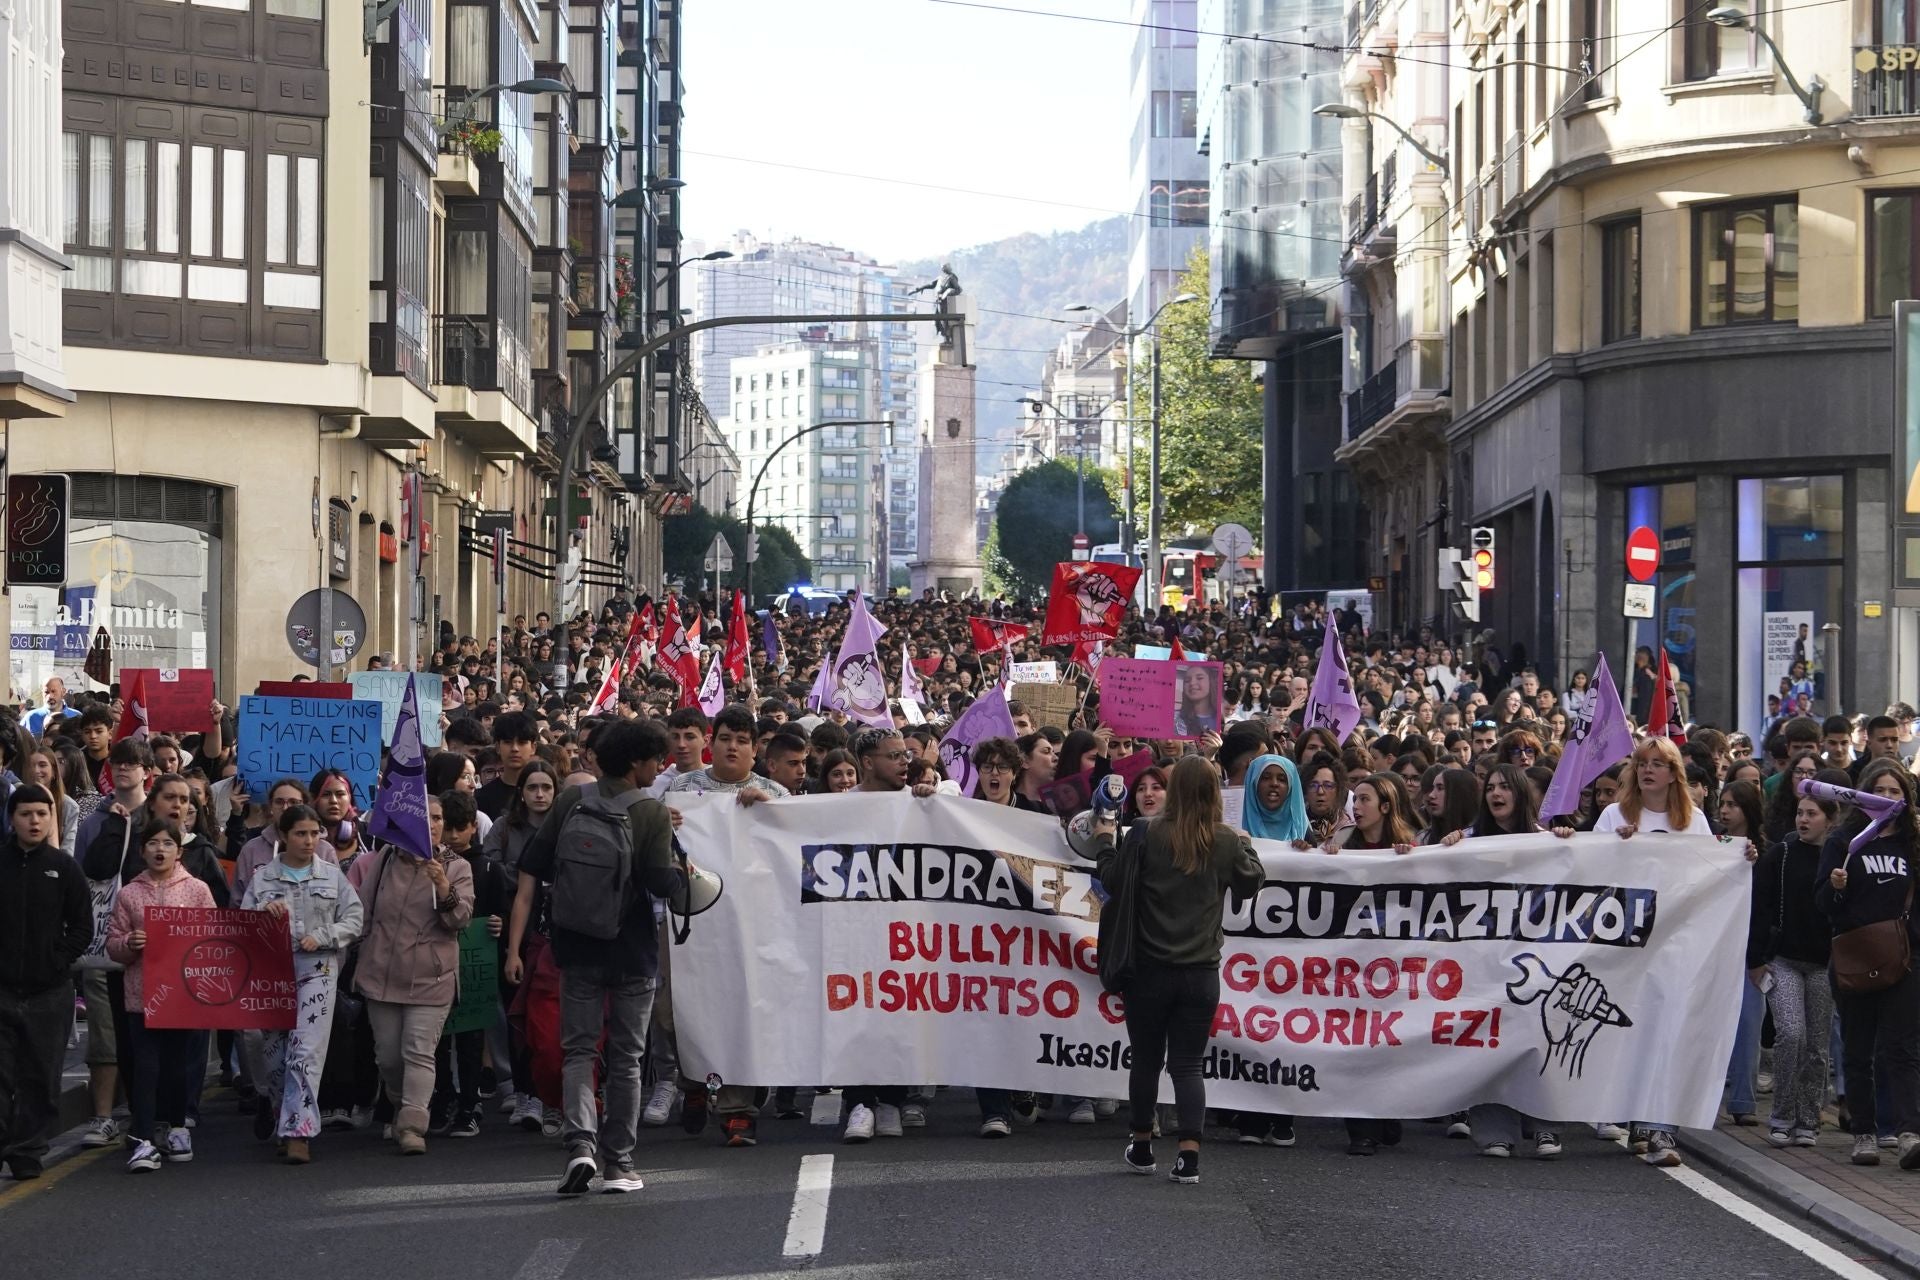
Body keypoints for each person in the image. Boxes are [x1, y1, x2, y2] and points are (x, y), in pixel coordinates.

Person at [508, 720, 685, 1195]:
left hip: (575, 944)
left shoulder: (573, 800)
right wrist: (679, 864)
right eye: (654, 759)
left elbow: (536, 862)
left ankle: (579, 1145)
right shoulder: (651, 811)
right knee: (627, 1057)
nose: (659, 766)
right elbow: (660, 883)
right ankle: (618, 1163)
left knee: (578, 1051)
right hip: (630, 950)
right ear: (635, 762)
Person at [1092, 755, 1263, 1186]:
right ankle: (1189, 1156)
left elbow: (1112, 881)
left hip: (1149, 969)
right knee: (1188, 1066)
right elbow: (1251, 881)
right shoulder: (1224, 840)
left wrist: (1105, 843)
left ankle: (1143, 1144)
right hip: (1200, 973)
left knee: (1146, 1062)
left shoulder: (1146, 834)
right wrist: (1244, 843)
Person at [666, 705, 787, 1146]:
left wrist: (770, 813)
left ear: (755, 751)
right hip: (690, 922)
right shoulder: (681, 789)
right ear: (710, 743)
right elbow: (659, 849)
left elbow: (795, 852)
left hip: (752, 924)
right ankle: (695, 1082)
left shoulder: (774, 792)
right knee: (675, 1013)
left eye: (742, 741)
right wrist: (663, 825)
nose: (732, 747)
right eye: (725, 739)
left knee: (742, 1008)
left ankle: (737, 1108)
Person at [1594, 736, 1713, 1167]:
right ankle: (1628, 1114)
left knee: (1667, 1030)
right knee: (1630, 1030)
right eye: (1642, 763)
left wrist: (1740, 856)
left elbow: (1708, 875)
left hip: (1673, 943)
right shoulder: (1613, 816)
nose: (1648, 770)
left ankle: (1661, 1130)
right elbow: (1590, 876)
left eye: (1659, 764)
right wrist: (1615, 849)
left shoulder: (1692, 821)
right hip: (1625, 945)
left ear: (1673, 773)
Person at [350, 793, 475, 1156]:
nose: (433, 825)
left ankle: (412, 1126)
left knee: (418, 1052)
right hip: (381, 974)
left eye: (438, 818)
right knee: (389, 1057)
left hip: (430, 978)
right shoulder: (386, 858)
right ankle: (405, 1104)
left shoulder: (456, 867)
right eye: (426, 818)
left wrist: (442, 887)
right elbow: (364, 911)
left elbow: (459, 920)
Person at [241, 803, 362, 1164]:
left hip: (318, 969)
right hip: (274, 973)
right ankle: (283, 1116)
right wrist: (263, 914)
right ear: (284, 836)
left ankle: (298, 1132)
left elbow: (355, 919)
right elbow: (241, 925)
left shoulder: (331, 875)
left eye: (314, 833)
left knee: (305, 1051)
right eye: (300, 834)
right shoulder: (263, 879)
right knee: (276, 1053)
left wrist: (325, 935)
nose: (309, 841)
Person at [1816, 759, 1920, 1170]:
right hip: (1855, 957)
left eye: (1897, 792)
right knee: (1858, 1048)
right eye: (1882, 790)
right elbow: (1823, 903)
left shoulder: (1913, 843)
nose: (1889, 798)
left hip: (1906, 958)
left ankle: (1910, 1131)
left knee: (1902, 1047)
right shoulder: (1843, 841)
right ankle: (1864, 1132)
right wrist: (1837, 887)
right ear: (1864, 795)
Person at [106, 817, 217, 1171]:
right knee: (146, 1068)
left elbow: (214, 939)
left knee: (178, 1067)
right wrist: (129, 943)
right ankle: (142, 1138)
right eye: (152, 843)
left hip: (184, 998)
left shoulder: (197, 890)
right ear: (142, 851)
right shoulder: (128, 894)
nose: (159, 849)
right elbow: (112, 943)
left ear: (179, 851)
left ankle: (178, 1127)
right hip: (143, 998)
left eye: (167, 843)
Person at [0, 785, 90, 1180]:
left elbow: (82, 927)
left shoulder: (64, 867)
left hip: (49, 992)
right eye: (25, 814)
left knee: (41, 1074)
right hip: (2, 990)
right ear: (12, 818)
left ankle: (27, 1151)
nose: (34, 821)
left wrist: (57, 961)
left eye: (41, 813)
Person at [1750, 784, 1837, 1149]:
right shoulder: (1782, 854)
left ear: (1830, 822)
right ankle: (1781, 1116)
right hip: (1783, 960)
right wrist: (1755, 961)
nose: (1803, 819)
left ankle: (1808, 1120)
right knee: (1790, 1034)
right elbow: (1760, 906)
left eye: (1812, 814)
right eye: (1800, 813)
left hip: (1824, 964)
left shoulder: (1841, 859)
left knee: (1818, 1048)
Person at [1719, 778, 1768, 1126]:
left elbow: (1768, 910)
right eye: (1722, 803)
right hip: (1716, 951)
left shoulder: (1768, 853)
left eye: (1733, 804)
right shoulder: (1709, 846)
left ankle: (1743, 1101)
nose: (1724, 810)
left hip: (1751, 953)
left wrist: (1761, 958)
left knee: (1749, 1025)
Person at [1171, 663, 1220, 738]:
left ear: (1211, 682)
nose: (1192, 683)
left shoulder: (1220, 718)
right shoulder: (1174, 718)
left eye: (1199, 678)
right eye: (1187, 680)